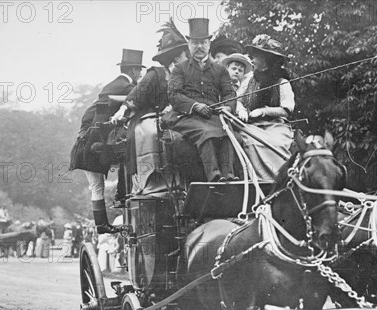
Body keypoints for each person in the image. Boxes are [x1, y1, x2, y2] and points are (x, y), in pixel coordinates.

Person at [69, 49, 145, 233]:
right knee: (98, 185)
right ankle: (105, 222)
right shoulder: (126, 87)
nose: (140, 75)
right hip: (91, 144)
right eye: (139, 72)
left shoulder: (114, 84)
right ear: (134, 70)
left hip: (87, 141)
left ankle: (105, 222)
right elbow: (140, 96)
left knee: (97, 186)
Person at [110, 19, 189, 192]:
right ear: (172, 59)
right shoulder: (156, 75)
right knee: (153, 133)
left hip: (178, 118)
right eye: (182, 56)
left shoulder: (189, 76)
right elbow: (137, 94)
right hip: (149, 119)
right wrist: (123, 110)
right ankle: (152, 184)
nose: (184, 60)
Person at [168, 18, 237, 182]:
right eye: (195, 43)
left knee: (227, 132)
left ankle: (229, 176)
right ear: (189, 44)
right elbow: (174, 95)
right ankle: (213, 177)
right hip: (186, 117)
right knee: (206, 133)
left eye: (203, 43)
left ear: (209, 44)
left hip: (212, 117)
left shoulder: (220, 70)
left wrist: (228, 108)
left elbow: (230, 93)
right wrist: (195, 106)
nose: (199, 47)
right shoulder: (179, 69)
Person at [236, 34, 295, 181]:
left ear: (266, 59)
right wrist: (241, 110)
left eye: (255, 56)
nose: (252, 60)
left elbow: (286, 110)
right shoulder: (249, 80)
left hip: (275, 126)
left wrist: (264, 111)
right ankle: (257, 180)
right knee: (249, 141)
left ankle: (278, 180)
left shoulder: (282, 82)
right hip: (251, 126)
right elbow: (236, 100)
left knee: (276, 144)